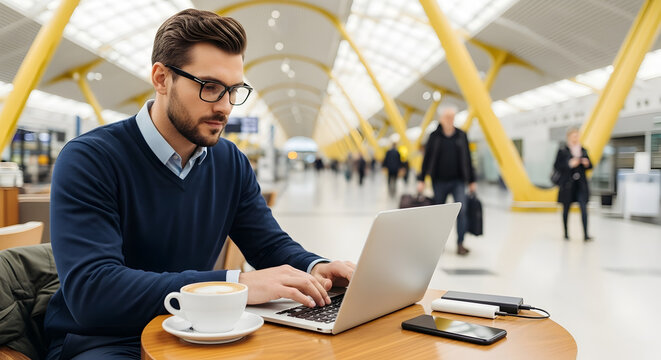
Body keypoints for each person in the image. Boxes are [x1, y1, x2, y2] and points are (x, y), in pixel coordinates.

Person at [44, 9, 354, 359]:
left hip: (199, 330)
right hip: (104, 340)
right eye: (210, 87)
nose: (224, 107)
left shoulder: (230, 161)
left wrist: (316, 267)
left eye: (233, 90)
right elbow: (94, 293)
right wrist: (232, 284)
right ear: (161, 79)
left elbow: (268, 246)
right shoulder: (90, 159)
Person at [417, 107, 476, 255]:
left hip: (458, 181)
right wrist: (421, 179)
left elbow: (468, 158)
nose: (450, 119)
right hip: (439, 181)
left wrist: (471, 180)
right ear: (441, 119)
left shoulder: (461, 135)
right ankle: (438, 244)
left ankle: (460, 243)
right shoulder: (434, 136)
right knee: (440, 213)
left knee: (462, 211)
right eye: (447, 117)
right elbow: (427, 158)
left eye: (452, 117)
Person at [553, 127, 593, 241]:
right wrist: (569, 164)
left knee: (584, 208)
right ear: (569, 137)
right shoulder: (563, 150)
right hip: (567, 185)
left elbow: (591, 165)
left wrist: (587, 163)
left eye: (577, 136)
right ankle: (566, 233)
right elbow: (556, 166)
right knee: (566, 209)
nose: (576, 138)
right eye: (574, 136)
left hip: (581, 185)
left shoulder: (583, 150)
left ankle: (585, 234)